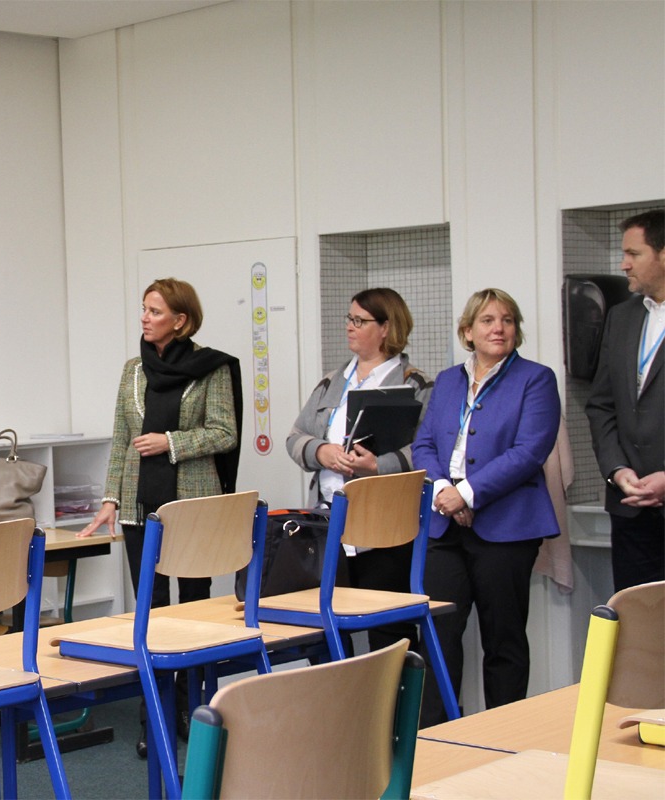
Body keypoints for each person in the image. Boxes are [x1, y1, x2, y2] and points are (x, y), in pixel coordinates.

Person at [79, 277, 243, 756]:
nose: (145, 318)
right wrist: (111, 497)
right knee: (150, 613)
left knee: (193, 612)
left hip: (191, 505)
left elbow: (224, 433)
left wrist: (170, 443)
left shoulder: (209, 369)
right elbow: (120, 439)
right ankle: (157, 718)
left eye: (155, 311)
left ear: (181, 320)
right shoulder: (133, 371)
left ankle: (198, 717)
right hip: (138, 506)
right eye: (144, 310)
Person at [412, 288, 560, 726]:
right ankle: (436, 741)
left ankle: (503, 741)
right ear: (467, 331)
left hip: (507, 526)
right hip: (443, 525)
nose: (500, 328)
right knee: (437, 635)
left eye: (508, 320)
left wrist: (469, 494)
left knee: (504, 640)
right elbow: (423, 443)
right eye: (489, 320)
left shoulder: (535, 378)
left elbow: (529, 451)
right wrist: (443, 491)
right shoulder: (448, 380)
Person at [285, 287, 431, 653]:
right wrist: (322, 452)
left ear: (386, 328)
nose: (349, 327)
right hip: (328, 519)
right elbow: (295, 436)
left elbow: (427, 450)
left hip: (383, 524)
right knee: (326, 628)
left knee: (389, 629)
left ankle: (393, 707)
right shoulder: (331, 381)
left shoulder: (415, 384)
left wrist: (376, 466)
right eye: (349, 319)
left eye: (359, 321)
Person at [586, 209, 665, 591]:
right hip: (631, 508)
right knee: (639, 634)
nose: (624, 264)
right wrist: (617, 469)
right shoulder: (621, 316)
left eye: (634, 253)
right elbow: (601, 405)